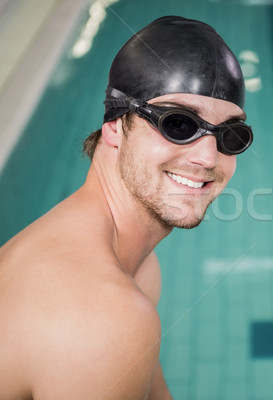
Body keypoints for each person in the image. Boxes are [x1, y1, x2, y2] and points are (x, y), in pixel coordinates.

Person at [0, 16, 252, 399]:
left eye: (229, 135)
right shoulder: (101, 314)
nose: (207, 157)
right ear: (115, 125)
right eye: (178, 124)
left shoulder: (131, 265)